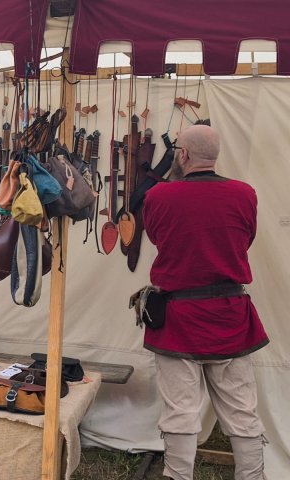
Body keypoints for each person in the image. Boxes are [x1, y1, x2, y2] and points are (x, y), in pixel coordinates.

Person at [141, 125, 269, 480]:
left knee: (180, 411)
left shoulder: (158, 196)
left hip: (179, 316)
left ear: (182, 155)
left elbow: (160, 238)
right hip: (228, 314)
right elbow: (244, 240)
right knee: (242, 410)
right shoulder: (245, 194)